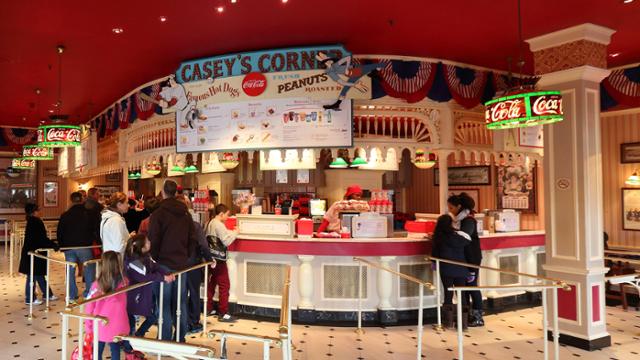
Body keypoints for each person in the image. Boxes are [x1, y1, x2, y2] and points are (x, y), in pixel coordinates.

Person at [148, 180, 197, 342]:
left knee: (163, 301)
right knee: (180, 302)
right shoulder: (185, 214)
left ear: (162, 192)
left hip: (163, 263)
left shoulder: (158, 214)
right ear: (176, 192)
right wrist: (186, 256)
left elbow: (154, 240)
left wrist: (154, 259)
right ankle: (180, 337)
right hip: (181, 264)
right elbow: (192, 238)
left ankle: (164, 337)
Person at [176, 194, 215, 334]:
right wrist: (210, 259)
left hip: (176, 265)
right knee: (193, 292)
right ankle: (193, 322)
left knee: (180, 293)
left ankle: (182, 322)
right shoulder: (195, 226)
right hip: (192, 264)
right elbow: (204, 246)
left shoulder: (171, 226)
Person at [124, 234, 175, 337]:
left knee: (153, 315)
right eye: (147, 241)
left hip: (145, 292)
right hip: (134, 294)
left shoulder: (146, 255)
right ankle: (128, 342)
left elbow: (155, 266)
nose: (150, 242)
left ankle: (139, 334)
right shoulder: (132, 260)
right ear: (142, 246)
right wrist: (163, 278)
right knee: (131, 317)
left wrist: (167, 273)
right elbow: (145, 276)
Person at [447, 193, 484, 327]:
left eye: (451, 208)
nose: (450, 211)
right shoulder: (460, 220)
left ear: (459, 206)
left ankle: (478, 317)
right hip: (463, 258)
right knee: (465, 287)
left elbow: (463, 237)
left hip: (472, 258)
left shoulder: (469, 220)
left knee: (472, 286)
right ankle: (467, 315)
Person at [84, 251, 129, 360]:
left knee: (97, 351)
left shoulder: (96, 286)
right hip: (119, 324)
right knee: (115, 349)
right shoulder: (125, 282)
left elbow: (89, 308)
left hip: (101, 325)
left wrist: (88, 328)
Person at [431, 214, 470, 329]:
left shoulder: (438, 238)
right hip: (461, 268)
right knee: (461, 295)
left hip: (446, 268)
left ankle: (448, 323)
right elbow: (468, 243)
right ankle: (463, 324)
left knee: (448, 295)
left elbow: (435, 255)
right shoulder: (459, 236)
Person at [57, 191, 96, 300]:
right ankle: (89, 292)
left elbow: (60, 231)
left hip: (68, 247)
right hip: (85, 246)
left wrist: (62, 246)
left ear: (71, 200)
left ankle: (71, 294)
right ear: (82, 200)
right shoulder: (88, 213)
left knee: (70, 270)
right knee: (89, 269)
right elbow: (93, 229)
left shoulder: (65, 215)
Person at [19, 203, 59, 305]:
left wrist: (51, 244)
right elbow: (41, 238)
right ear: (34, 212)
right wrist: (53, 244)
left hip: (33, 252)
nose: (40, 211)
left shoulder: (32, 221)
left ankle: (48, 294)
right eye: (38, 210)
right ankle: (30, 298)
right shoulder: (36, 222)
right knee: (33, 275)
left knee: (38, 274)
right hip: (34, 253)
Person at [206, 204, 238, 322]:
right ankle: (223, 312)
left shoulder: (210, 222)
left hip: (211, 258)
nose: (228, 217)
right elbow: (226, 241)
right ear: (221, 214)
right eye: (227, 215)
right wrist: (236, 232)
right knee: (225, 285)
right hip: (219, 259)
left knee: (212, 283)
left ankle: (208, 308)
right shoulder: (219, 225)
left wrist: (230, 231)